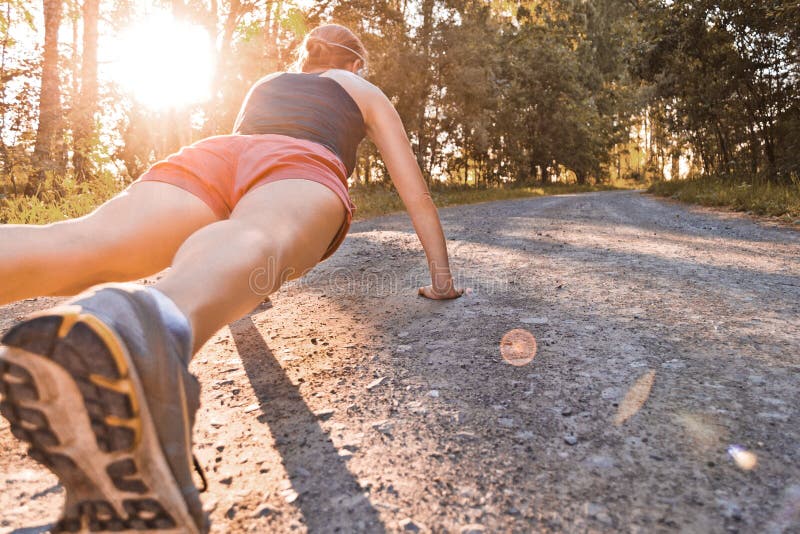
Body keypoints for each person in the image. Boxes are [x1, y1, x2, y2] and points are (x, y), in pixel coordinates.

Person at [0, 23, 463, 533]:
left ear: (307, 57)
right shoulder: (361, 88)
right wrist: (441, 279)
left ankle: (135, 333)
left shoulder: (267, 83)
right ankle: (139, 328)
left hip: (213, 154)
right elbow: (414, 193)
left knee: (76, 242)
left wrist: (239, 291)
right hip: (299, 161)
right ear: (354, 62)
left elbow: (238, 174)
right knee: (258, 234)